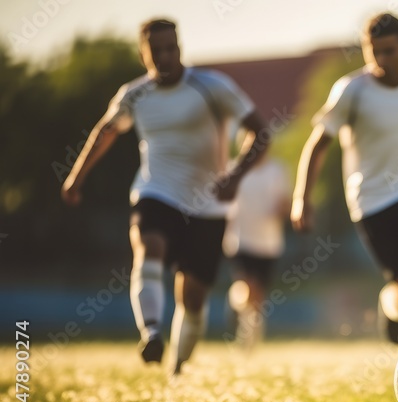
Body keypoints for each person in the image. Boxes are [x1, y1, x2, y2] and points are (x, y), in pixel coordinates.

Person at [61, 18, 269, 375]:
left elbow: (261, 133)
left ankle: (176, 368)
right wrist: (76, 178)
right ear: (144, 54)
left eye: (170, 48)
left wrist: (235, 176)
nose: (164, 56)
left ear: (180, 48)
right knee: (148, 246)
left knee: (192, 299)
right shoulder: (134, 94)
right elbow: (106, 132)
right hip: (155, 190)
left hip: (208, 205)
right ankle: (152, 332)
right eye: (155, 51)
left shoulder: (212, 87)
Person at [291, 12, 398, 343]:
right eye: (374, 51)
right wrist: (302, 198)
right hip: (373, 197)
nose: (382, 59)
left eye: (389, 51)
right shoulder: (351, 91)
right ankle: (391, 307)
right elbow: (317, 145)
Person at [223, 153, 291, 351]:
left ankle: (249, 336)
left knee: (258, 296)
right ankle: (239, 307)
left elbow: (284, 201)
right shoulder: (233, 168)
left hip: (268, 243)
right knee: (249, 286)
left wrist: (280, 209)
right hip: (240, 239)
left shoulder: (277, 170)